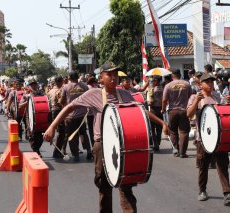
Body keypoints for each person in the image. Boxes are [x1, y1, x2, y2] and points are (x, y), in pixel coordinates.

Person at [44, 61, 168, 213]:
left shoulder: (125, 94)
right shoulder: (93, 93)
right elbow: (69, 107)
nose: (113, 78)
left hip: (124, 144)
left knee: (126, 184)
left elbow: (141, 110)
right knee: (104, 186)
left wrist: (162, 122)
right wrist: (52, 127)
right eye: (109, 74)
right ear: (101, 78)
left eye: (115, 74)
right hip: (101, 145)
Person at [187, 73, 230, 206]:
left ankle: (227, 194)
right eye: (207, 82)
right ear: (200, 84)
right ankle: (202, 190)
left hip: (218, 138)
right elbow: (188, 114)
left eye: (212, 82)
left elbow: (225, 112)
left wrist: (229, 102)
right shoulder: (195, 97)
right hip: (203, 138)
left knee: (222, 165)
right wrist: (196, 102)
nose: (211, 84)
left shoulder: (217, 96)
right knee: (203, 166)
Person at [60, 71, 92, 161]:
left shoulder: (66, 87)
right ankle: (89, 150)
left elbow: (62, 101)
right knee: (83, 133)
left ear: (69, 78)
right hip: (82, 115)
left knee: (72, 136)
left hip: (70, 116)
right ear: (78, 77)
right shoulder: (85, 86)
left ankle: (76, 154)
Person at [162, 69, 192, 158]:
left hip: (172, 111)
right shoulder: (187, 84)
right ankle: (182, 152)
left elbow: (164, 99)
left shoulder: (168, 85)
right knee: (184, 131)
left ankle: (176, 151)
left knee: (173, 131)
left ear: (172, 76)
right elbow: (190, 97)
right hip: (184, 110)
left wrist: (163, 109)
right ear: (180, 74)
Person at [18, 79, 45, 156]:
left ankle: (37, 148)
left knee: (41, 134)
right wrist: (28, 101)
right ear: (29, 86)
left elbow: (46, 101)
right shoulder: (26, 95)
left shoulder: (41, 93)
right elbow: (20, 106)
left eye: (34, 84)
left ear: (37, 85)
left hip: (40, 116)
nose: (33, 86)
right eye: (31, 85)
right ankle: (36, 150)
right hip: (29, 116)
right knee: (32, 134)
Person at [47, 76, 66, 158]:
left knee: (58, 131)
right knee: (62, 132)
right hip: (59, 111)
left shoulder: (50, 91)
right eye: (62, 82)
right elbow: (60, 103)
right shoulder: (60, 91)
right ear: (60, 82)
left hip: (52, 111)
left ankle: (58, 149)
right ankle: (57, 151)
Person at [148, 75, 164, 151]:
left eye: (153, 81)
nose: (152, 82)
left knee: (152, 128)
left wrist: (148, 103)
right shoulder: (163, 89)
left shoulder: (153, 90)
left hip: (153, 110)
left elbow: (151, 101)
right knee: (159, 128)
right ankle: (158, 141)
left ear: (156, 81)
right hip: (161, 109)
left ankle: (156, 144)